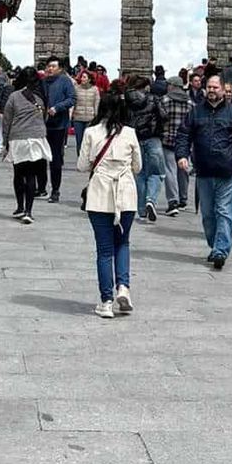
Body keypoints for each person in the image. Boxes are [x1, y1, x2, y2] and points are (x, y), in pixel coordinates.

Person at [175, 74, 232, 269]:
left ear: (223, 89)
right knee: (208, 215)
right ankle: (214, 245)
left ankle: (220, 251)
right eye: (209, 87)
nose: (212, 90)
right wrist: (182, 155)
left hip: (228, 171)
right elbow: (183, 134)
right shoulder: (195, 112)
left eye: (215, 87)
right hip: (204, 171)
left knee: (225, 212)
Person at [78, 90, 142, 318]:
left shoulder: (91, 133)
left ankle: (106, 301)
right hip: (126, 195)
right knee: (122, 243)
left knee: (104, 250)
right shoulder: (130, 133)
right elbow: (138, 167)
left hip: (99, 196)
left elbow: (81, 166)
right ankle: (123, 287)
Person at [1, 66, 51, 223]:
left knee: (18, 174)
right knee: (31, 175)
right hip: (37, 138)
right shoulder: (40, 98)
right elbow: (45, 119)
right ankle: (29, 211)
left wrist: (5, 141)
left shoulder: (14, 97)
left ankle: (20, 207)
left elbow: (7, 120)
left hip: (18, 138)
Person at [126, 74, 166, 223]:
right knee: (156, 173)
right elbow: (163, 115)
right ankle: (151, 200)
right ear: (146, 86)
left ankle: (141, 210)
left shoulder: (126, 99)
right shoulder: (153, 98)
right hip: (153, 137)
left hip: (134, 138)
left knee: (140, 173)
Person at [42, 56, 76, 202]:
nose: (50, 69)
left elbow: (72, 99)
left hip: (58, 125)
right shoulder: (42, 82)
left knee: (55, 159)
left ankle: (55, 190)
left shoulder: (65, 81)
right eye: (48, 66)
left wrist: (57, 108)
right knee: (40, 157)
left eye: (53, 66)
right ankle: (41, 187)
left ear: (60, 68)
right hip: (42, 125)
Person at [160, 75, 192, 214]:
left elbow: (160, 119)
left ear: (172, 86)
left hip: (168, 139)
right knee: (183, 170)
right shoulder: (191, 103)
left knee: (170, 170)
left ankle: (172, 201)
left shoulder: (165, 100)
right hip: (184, 142)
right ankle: (183, 199)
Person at [72, 68, 100, 154]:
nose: (82, 79)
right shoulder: (76, 88)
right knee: (79, 142)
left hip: (90, 118)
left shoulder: (95, 89)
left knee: (88, 142)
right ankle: (79, 160)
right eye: (82, 77)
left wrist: (96, 115)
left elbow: (97, 103)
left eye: (84, 77)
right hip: (78, 118)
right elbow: (73, 102)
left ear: (89, 79)